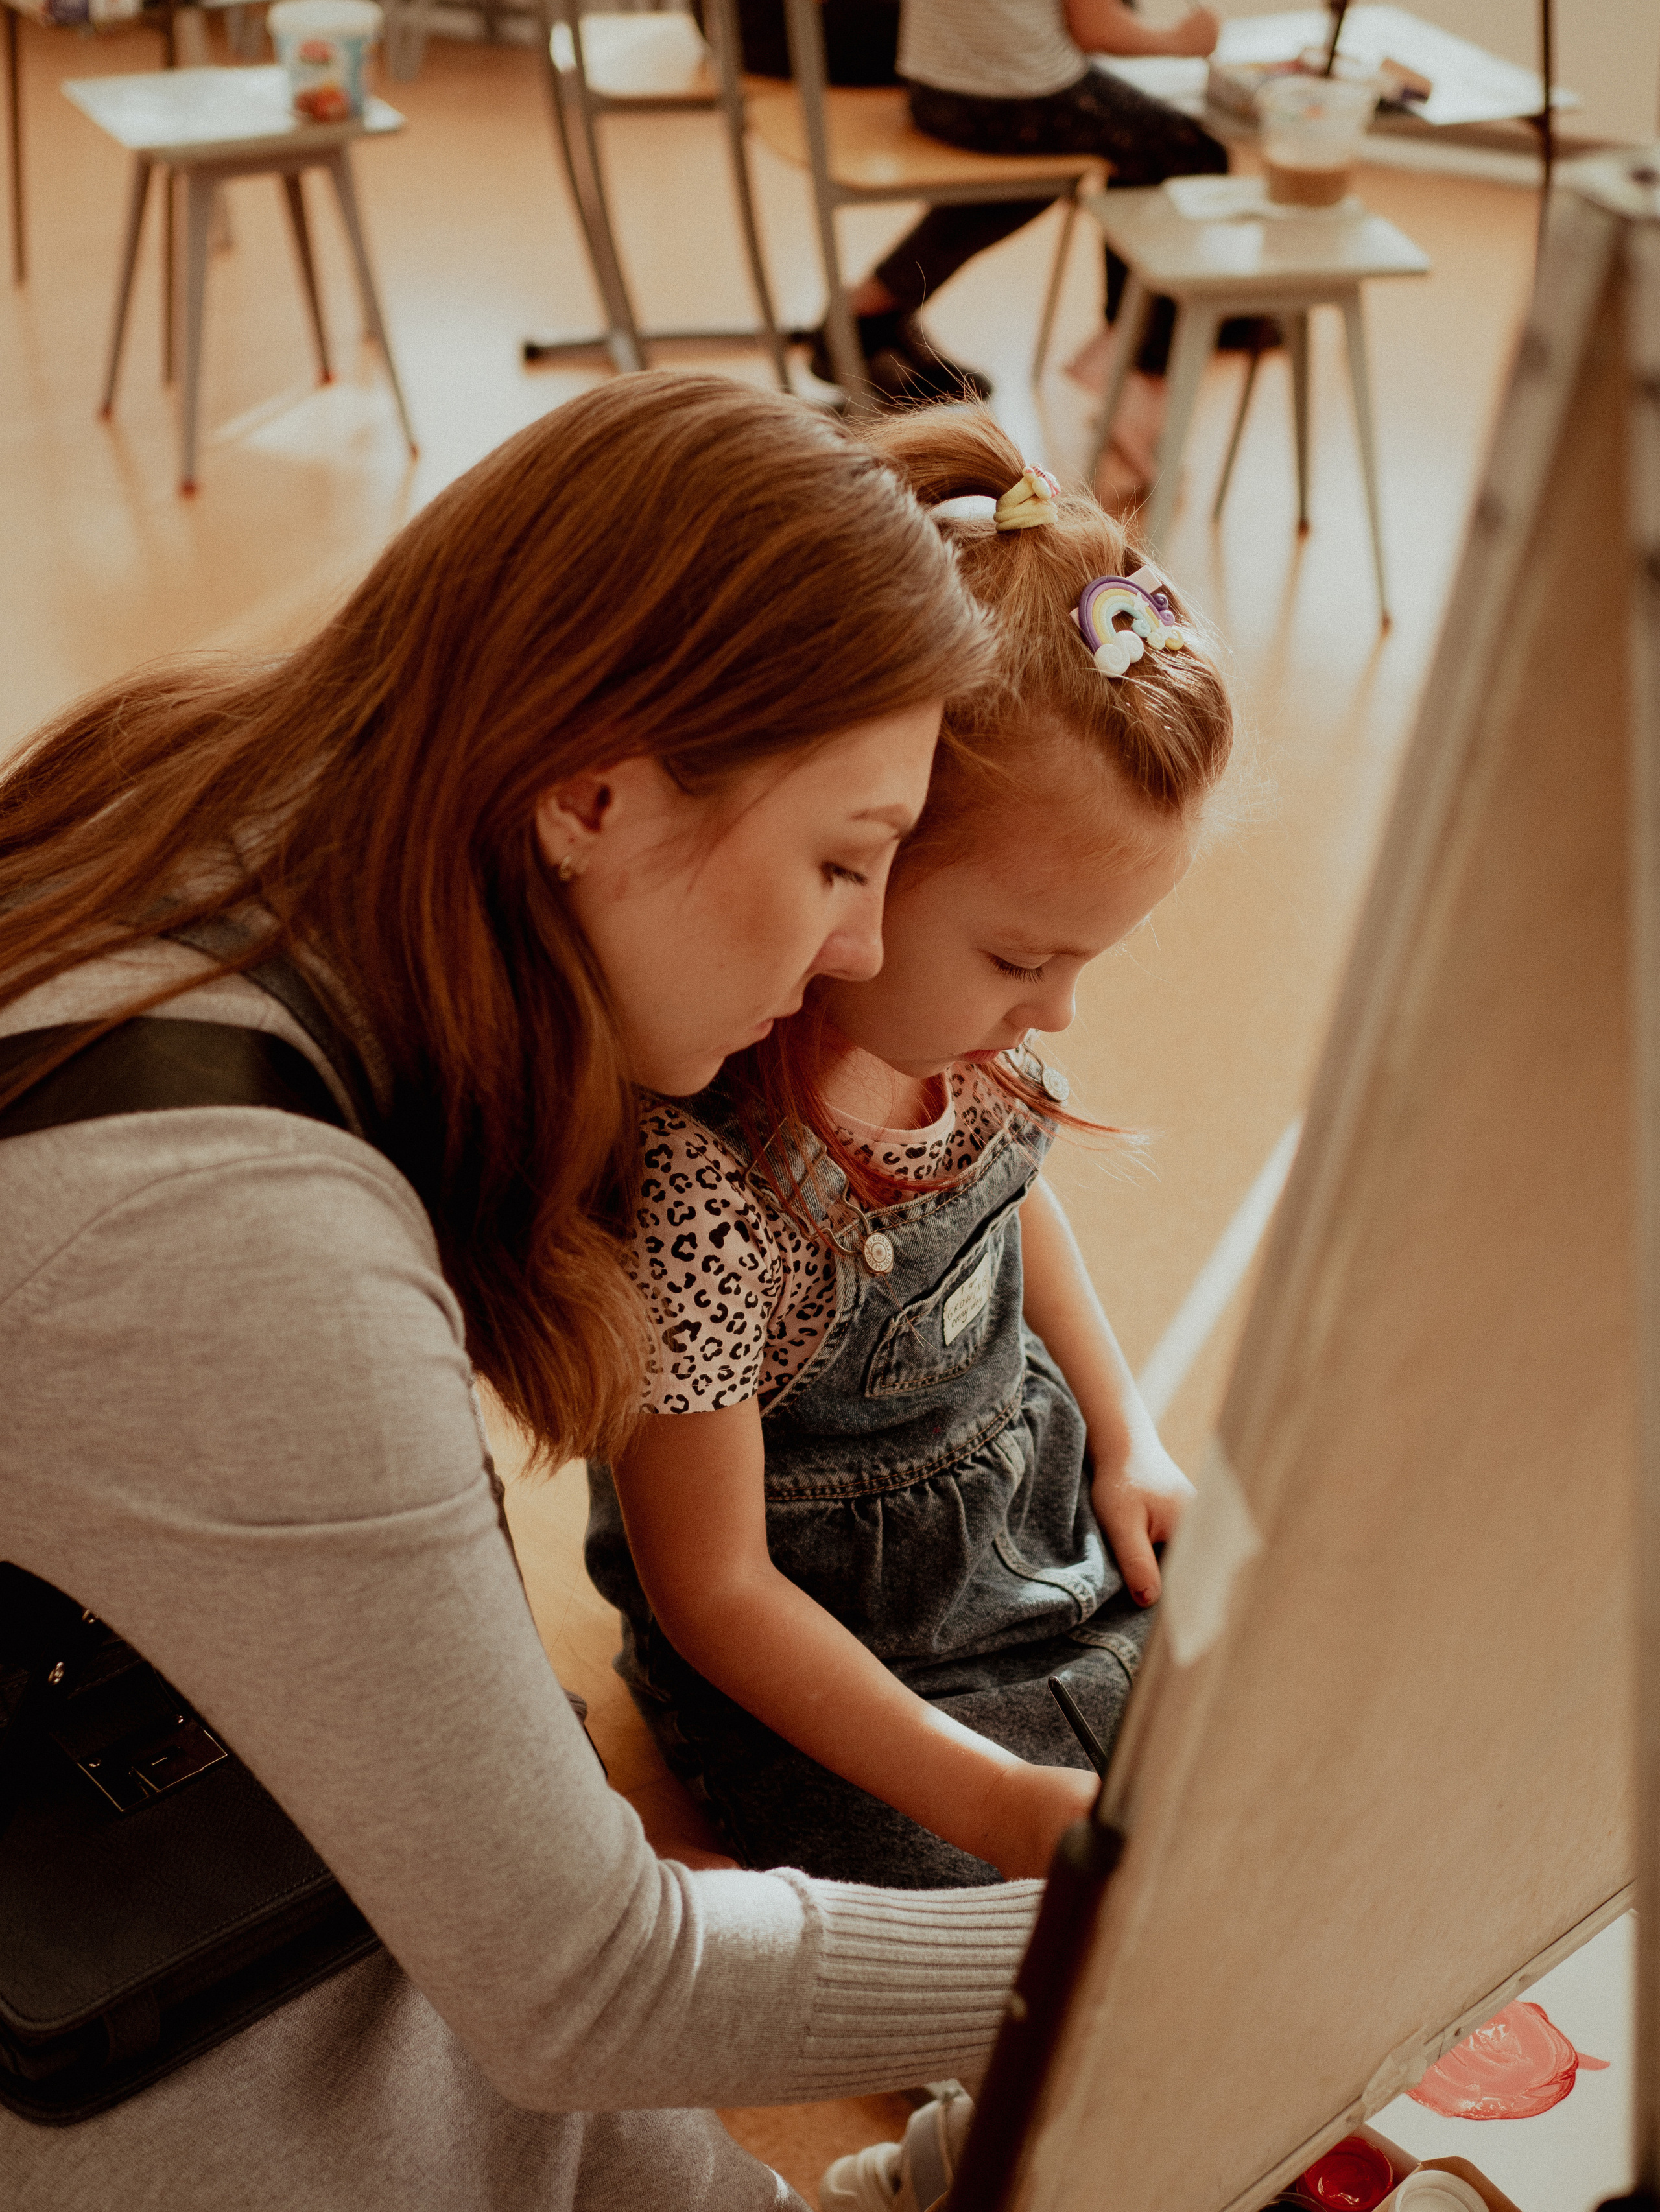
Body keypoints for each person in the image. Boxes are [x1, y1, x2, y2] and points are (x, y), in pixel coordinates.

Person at [0, 373, 1050, 2212]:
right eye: (839, 859)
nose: (860, 948)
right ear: (592, 790)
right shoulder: (243, 1247)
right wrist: (1130, 1947)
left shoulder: (229, 802)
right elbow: (587, 1983)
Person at [586, 410, 1235, 1889]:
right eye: (1020, 956)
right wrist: (993, 1801)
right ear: (864, 855)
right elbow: (716, 1594)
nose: (1055, 1011)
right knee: (990, 1915)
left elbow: (1011, 1215)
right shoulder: (698, 1186)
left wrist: (1126, 1434)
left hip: (1024, 1537)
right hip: (831, 1661)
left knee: (1252, 1734)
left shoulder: (959, 1047)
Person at [792, 0, 1233, 449]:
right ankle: (1137, 362)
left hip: (934, 88)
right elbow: (1095, 29)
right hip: (1015, 96)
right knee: (1189, 152)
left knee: (1037, 176)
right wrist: (1181, 41)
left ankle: (869, 311)